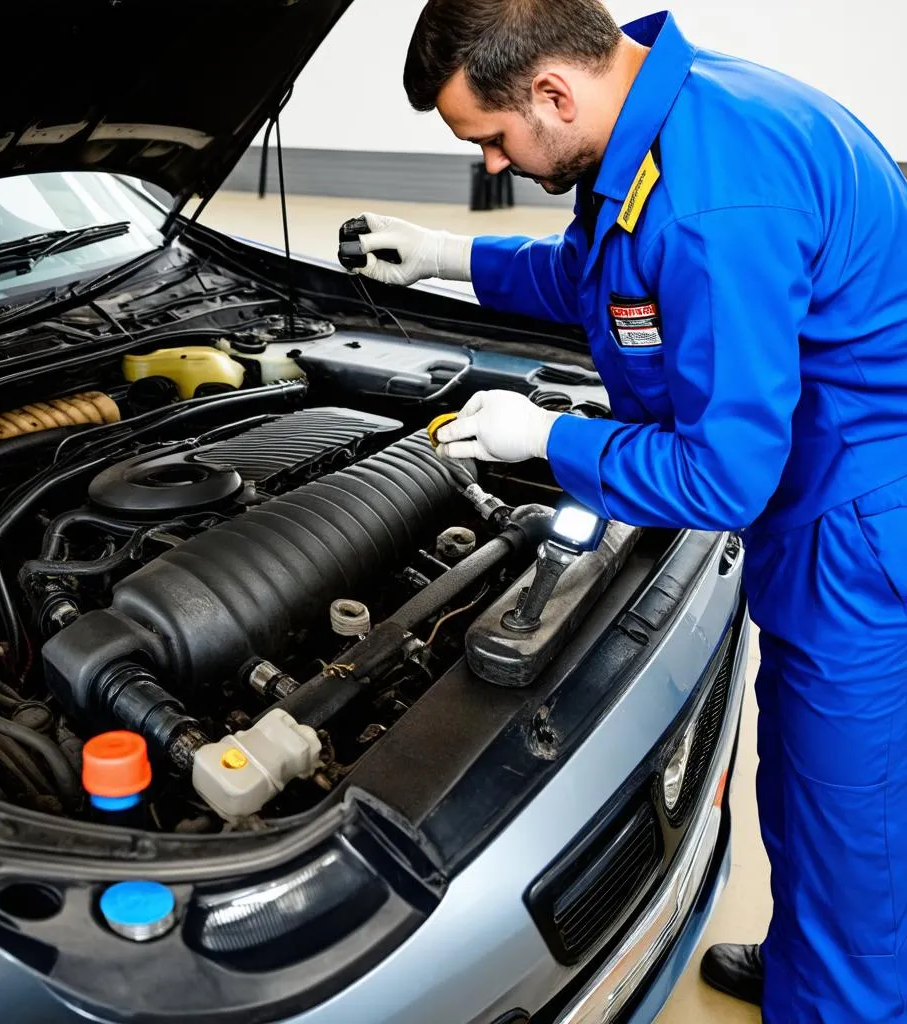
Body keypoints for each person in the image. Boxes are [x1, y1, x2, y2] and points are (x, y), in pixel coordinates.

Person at [339, 2, 907, 1021]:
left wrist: (547, 439)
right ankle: (806, 965)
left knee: (848, 821)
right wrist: (446, 258)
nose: (497, 165)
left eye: (492, 141)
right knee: (800, 790)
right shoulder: (666, 115)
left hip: (854, 532)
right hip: (820, 492)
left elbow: (724, 476)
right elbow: (609, 278)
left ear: (552, 90)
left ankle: (841, 1000)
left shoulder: (710, 199)